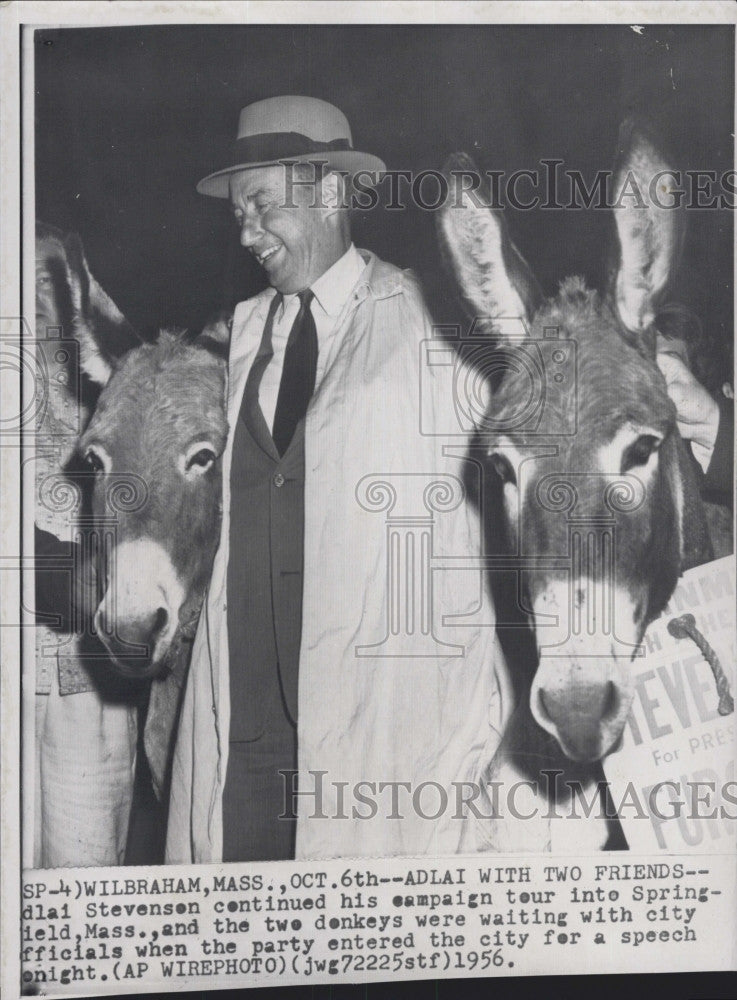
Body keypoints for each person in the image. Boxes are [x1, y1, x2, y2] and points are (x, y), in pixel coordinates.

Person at [165, 96, 512, 863]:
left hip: (382, 734)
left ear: (327, 192)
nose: (247, 231)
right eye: (237, 214)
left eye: (260, 203)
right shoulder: (241, 336)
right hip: (247, 731)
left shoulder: (437, 320)